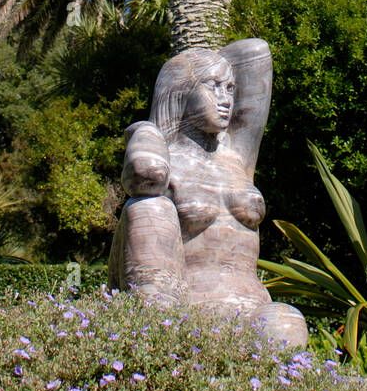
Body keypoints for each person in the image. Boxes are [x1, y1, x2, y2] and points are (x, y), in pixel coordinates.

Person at [108, 38, 308, 348]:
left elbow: (256, 53)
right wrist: (145, 131)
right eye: (213, 87)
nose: (226, 98)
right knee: (147, 207)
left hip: (252, 316)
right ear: (181, 91)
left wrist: (211, 66)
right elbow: (145, 172)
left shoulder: (237, 157)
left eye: (229, 88)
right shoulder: (166, 159)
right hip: (186, 315)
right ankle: (157, 336)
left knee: (286, 323)